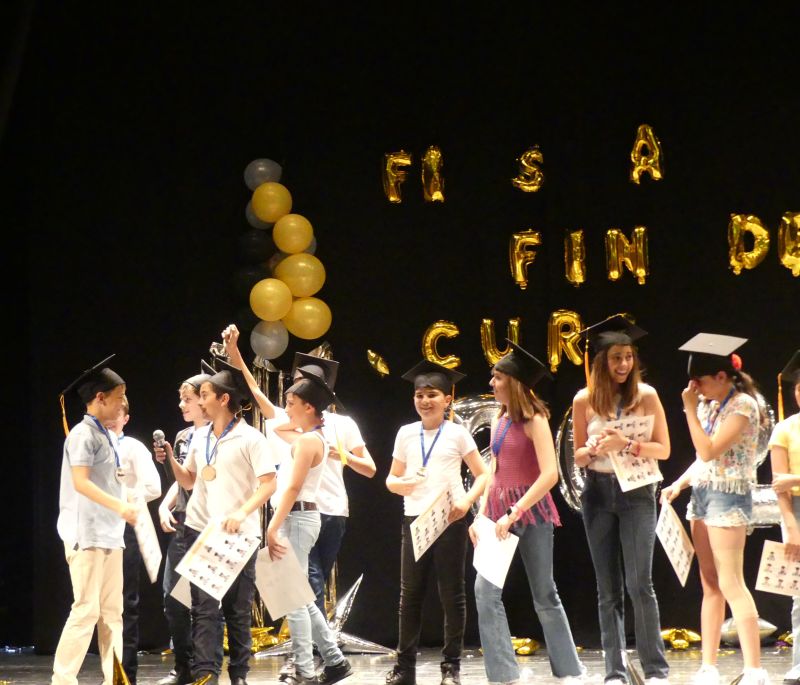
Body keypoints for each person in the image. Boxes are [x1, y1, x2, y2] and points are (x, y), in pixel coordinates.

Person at [223, 324, 376, 616]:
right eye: (296, 383)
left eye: (305, 384)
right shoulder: (289, 419)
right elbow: (255, 391)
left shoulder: (343, 424)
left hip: (332, 511)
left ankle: (314, 639)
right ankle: (316, 641)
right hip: (298, 511)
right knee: (307, 581)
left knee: (312, 581)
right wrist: (235, 353)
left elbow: (370, 469)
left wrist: (341, 455)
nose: (296, 390)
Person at [471, 341, 585, 685]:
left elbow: (550, 474)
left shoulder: (535, 419)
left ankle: (570, 671)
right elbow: (494, 468)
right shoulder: (499, 418)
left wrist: (515, 511)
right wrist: (481, 515)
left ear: (514, 382)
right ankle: (504, 674)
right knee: (484, 591)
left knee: (544, 594)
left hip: (531, 513)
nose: (491, 383)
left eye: (497, 377)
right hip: (497, 514)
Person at [661, 333, 768, 685]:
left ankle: (755, 669)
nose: (696, 389)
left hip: (730, 495)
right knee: (709, 583)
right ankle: (709, 666)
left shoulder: (743, 406)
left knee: (731, 581)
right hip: (704, 493)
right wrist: (679, 483)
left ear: (722, 377)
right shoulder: (708, 405)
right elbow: (701, 459)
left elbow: (710, 449)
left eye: (700, 382)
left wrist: (689, 410)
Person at [571, 315, 671, 685]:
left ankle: (655, 670)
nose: (624, 364)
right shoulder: (584, 399)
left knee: (640, 584)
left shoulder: (646, 396)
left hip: (637, 492)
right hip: (598, 492)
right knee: (607, 589)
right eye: (616, 358)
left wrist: (626, 443)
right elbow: (578, 456)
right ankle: (614, 671)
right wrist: (591, 450)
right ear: (602, 361)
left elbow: (664, 449)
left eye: (628, 357)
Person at [166, 359, 277, 685]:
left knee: (237, 609)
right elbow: (189, 480)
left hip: (239, 535)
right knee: (203, 608)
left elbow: (269, 484)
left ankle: (239, 673)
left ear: (224, 398)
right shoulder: (200, 437)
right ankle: (206, 674)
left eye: (205, 395)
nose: (200, 401)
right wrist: (170, 458)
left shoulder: (251, 438)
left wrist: (242, 512)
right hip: (204, 532)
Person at [385, 360, 489, 685]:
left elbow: (483, 474)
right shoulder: (405, 433)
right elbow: (391, 479)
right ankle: (405, 669)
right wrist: (399, 485)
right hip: (415, 521)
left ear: (447, 400)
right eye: (419, 395)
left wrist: (466, 502)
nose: (425, 401)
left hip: (449, 521)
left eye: (432, 395)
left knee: (452, 596)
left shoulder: (457, 433)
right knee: (410, 597)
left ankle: (451, 667)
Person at [52, 355, 139, 685]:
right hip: (85, 534)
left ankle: (114, 679)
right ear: (100, 398)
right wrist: (120, 506)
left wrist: (124, 504)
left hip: (110, 534)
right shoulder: (82, 435)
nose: (122, 404)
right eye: (118, 397)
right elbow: (81, 482)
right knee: (86, 609)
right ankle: (63, 679)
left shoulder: (108, 436)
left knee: (112, 613)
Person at [265, 369, 354, 685]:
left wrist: (272, 527)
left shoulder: (308, 442)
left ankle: (304, 668)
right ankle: (334, 660)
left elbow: (292, 488)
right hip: (300, 519)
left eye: (291, 403)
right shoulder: (310, 438)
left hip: (297, 519)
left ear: (309, 407)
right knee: (300, 597)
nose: (286, 410)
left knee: (294, 598)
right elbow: (278, 426)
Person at [153, 370, 211, 685]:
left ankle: (206, 668)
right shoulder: (183, 437)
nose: (181, 405)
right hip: (183, 522)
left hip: (208, 525)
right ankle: (183, 665)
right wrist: (165, 504)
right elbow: (182, 480)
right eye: (181, 399)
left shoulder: (219, 435)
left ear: (205, 400)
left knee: (205, 602)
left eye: (187, 399)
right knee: (173, 599)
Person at [104, 396, 162, 685]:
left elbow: (154, 486)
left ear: (126, 418)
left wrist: (124, 497)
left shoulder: (133, 448)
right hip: (98, 529)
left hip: (125, 527)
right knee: (101, 605)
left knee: (126, 604)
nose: (112, 418)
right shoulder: (93, 445)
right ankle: (108, 672)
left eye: (118, 413)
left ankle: (126, 675)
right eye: (109, 411)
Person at [770, 350, 800, 685]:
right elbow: (780, 484)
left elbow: (789, 479)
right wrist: (790, 525)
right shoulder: (785, 429)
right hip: (796, 511)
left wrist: (796, 478)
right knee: (799, 593)